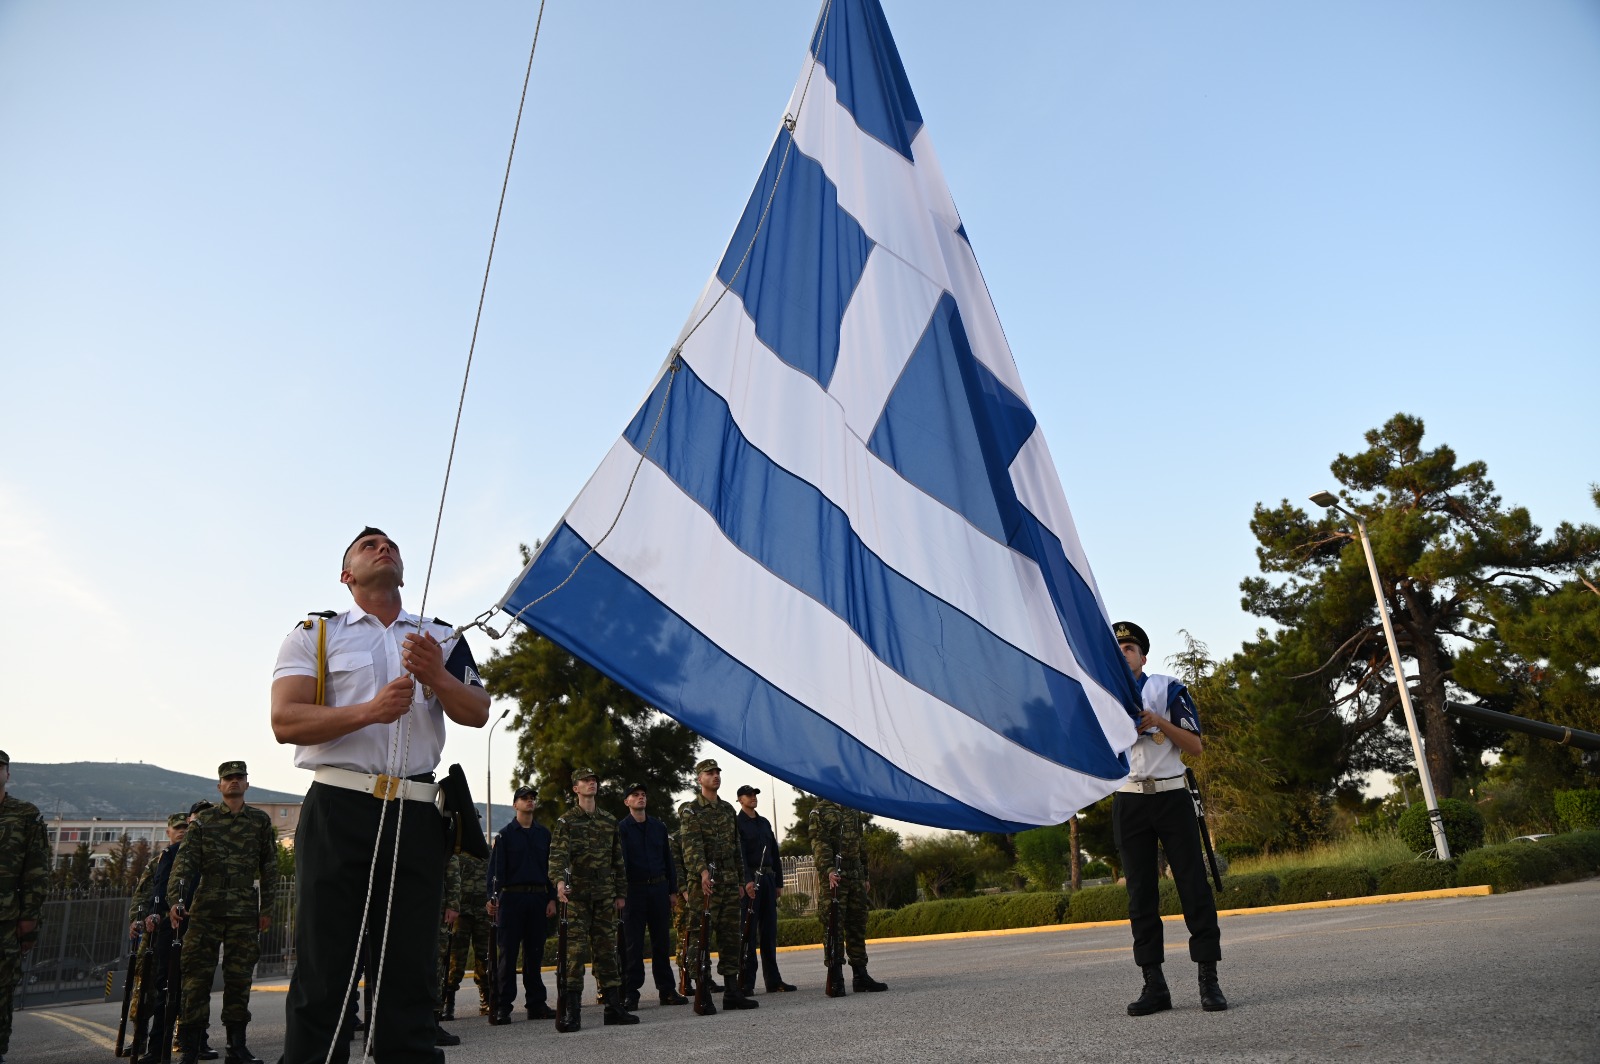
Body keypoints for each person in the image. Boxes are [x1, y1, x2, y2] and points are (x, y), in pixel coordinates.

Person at [271, 527, 490, 1064]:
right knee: (326, 966)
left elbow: (477, 711)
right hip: (340, 807)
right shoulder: (315, 634)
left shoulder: (439, 635)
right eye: (367, 546)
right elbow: (285, 719)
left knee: (409, 965)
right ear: (347, 575)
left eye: (389, 544)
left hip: (415, 814)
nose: (382, 548)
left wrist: (437, 676)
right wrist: (368, 710)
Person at [1111, 621, 1226, 1015]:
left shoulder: (1167, 689)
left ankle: (1208, 980)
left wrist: (1159, 722)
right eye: (1117, 648)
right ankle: (1154, 985)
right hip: (1129, 800)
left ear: (1143, 656)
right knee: (1140, 896)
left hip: (1171, 794)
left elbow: (1195, 745)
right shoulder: (1098, 697)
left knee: (1194, 887)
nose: (1123, 652)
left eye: (1129, 647)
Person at [168, 762, 276, 1064]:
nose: (234, 782)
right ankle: (190, 1047)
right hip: (207, 907)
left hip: (243, 907)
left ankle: (236, 1047)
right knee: (196, 978)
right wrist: (175, 901)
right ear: (219, 786)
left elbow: (269, 866)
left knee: (239, 978)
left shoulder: (259, 821)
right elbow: (185, 864)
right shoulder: (204, 822)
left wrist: (266, 907)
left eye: (239, 777)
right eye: (228, 779)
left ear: (247, 784)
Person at [549, 769, 637, 1030]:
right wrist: (560, 883)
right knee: (574, 954)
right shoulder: (566, 822)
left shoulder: (609, 820)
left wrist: (620, 892)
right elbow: (558, 856)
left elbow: (617, 859)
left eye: (594, 780)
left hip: (603, 892)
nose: (592, 783)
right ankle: (572, 1011)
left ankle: (613, 1007)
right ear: (575, 789)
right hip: (576, 896)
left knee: (607, 951)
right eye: (586, 781)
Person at [679, 759, 758, 1012]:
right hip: (705, 883)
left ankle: (732, 991)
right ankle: (701, 986)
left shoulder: (726, 810)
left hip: (727, 880)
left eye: (717, 773)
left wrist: (738, 879)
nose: (715, 776)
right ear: (698, 779)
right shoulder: (690, 810)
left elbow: (736, 847)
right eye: (709, 773)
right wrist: (702, 872)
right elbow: (691, 847)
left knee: (730, 936)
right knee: (701, 936)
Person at [485, 786, 555, 1024]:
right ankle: (503, 1006)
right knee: (508, 955)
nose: (529, 802)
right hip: (511, 899)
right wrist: (491, 897)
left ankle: (536, 1004)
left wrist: (552, 898)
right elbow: (494, 871)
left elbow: (551, 870)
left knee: (534, 955)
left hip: (537, 898)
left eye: (532, 798)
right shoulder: (504, 836)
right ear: (515, 804)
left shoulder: (544, 834)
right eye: (524, 799)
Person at [616, 783, 688, 1009]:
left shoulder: (658, 827)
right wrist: (620, 893)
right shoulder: (622, 829)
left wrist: (672, 890)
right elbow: (619, 864)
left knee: (661, 943)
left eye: (643, 795)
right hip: (633, 891)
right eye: (635, 795)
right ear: (627, 802)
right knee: (632, 945)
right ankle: (631, 993)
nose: (640, 798)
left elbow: (668, 860)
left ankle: (666, 990)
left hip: (658, 889)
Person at [125, 812, 189, 1063]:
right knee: (145, 985)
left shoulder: (192, 858)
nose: (182, 831)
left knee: (178, 985)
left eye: (186, 827)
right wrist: (138, 919)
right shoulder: (158, 861)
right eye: (178, 828)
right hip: (155, 928)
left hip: (180, 926)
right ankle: (139, 1036)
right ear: (169, 832)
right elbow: (142, 895)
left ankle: (178, 1035)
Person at [0, 752, 49, 1064]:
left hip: (5, 919)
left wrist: (29, 918)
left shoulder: (25, 814)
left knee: (2, 988)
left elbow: (36, 871)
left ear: (7, 773)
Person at [809, 799, 887, 993]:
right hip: (836, 876)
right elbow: (820, 844)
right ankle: (836, 977)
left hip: (855, 874)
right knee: (833, 926)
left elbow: (860, 842)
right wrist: (828, 870)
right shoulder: (819, 811)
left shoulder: (852, 807)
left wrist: (865, 874)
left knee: (857, 924)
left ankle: (861, 975)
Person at [735, 786, 794, 994]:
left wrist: (778, 882)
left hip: (768, 879)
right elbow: (739, 855)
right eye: (749, 795)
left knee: (769, 932)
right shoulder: (738, 823)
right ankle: (747, 983)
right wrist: (746, 881)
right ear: (740, 799)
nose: (753, 798)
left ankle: (773, 980)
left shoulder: (764, 822)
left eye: (755, 795)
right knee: (748, 932)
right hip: (751, 879)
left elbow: (774, 853)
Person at [443, 850, 491, 1019]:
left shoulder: (487, 854)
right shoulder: (457, 854)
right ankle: (448, 1002)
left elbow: (494, 881)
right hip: (461, 914)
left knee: (484, 957)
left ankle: (486, 999)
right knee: (456, 958)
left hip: (482, 913)